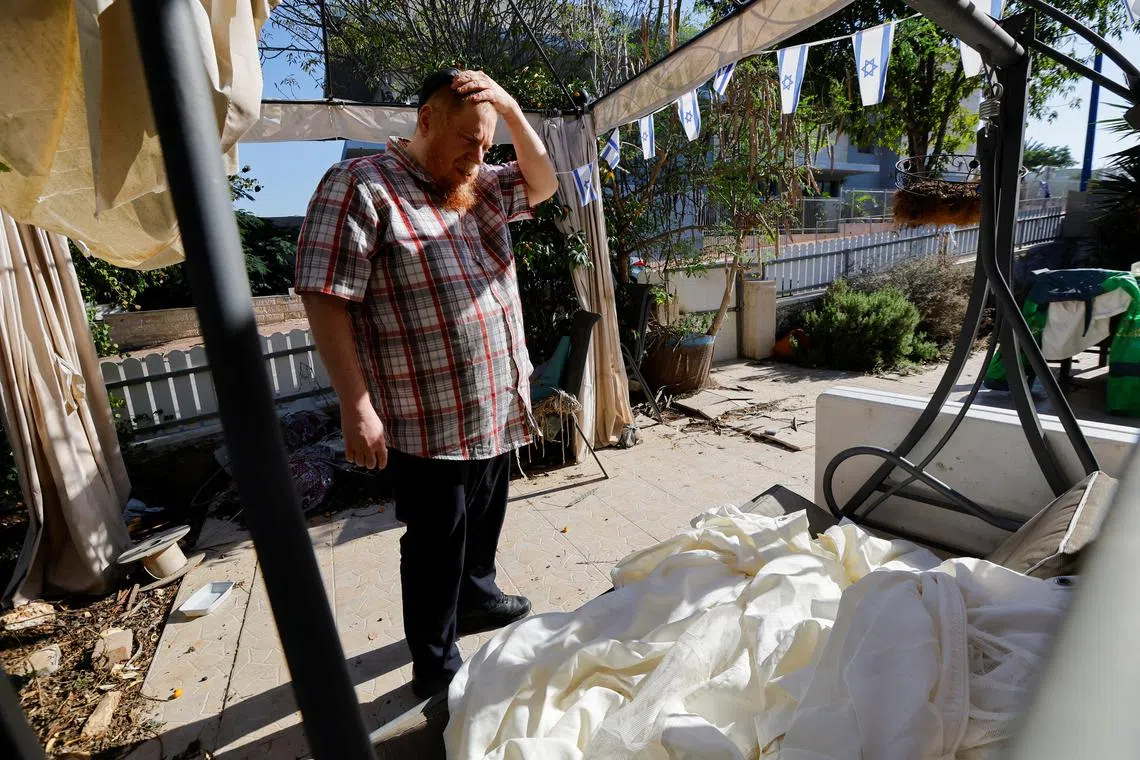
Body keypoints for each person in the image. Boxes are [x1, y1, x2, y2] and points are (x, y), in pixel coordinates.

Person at [294, 69, 559, 699]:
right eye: (469, 139)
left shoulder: (480, 184)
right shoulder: (362, 185)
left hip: (495, 397)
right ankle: (435, 667)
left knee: (486, 516)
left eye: (488, 144)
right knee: (436, 540)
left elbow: (544, 183)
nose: (479, 155)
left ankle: (478, 598)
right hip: (424, 414)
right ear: (426, 120)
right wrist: (355, 406)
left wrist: (512, 109)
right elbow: (325, 296)